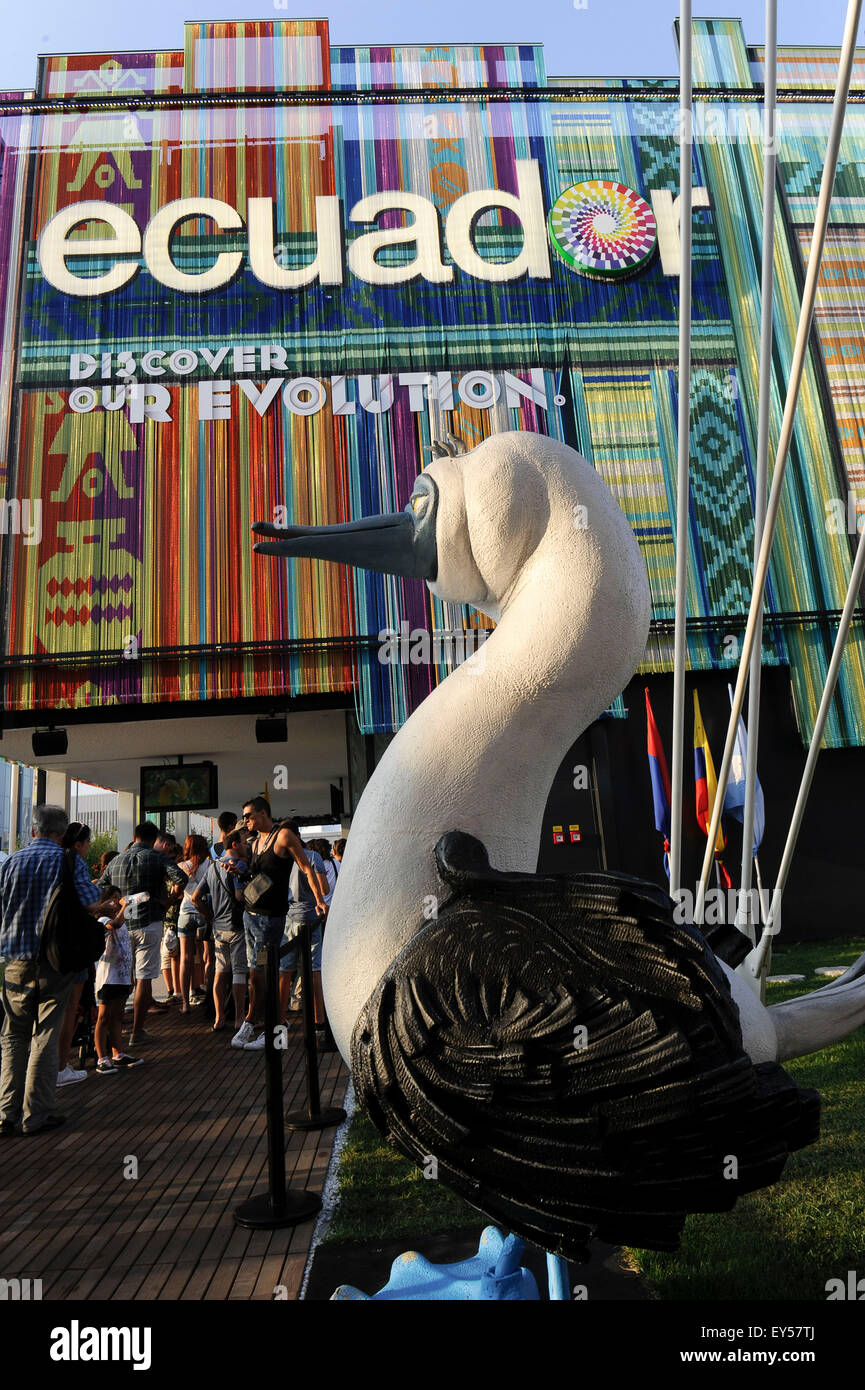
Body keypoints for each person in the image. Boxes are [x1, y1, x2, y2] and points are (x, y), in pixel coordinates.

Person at [0, 805, 115, 1136]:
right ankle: (37, 1114)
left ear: (33, 829)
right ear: (62, 833)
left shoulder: (11, 862)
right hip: (55, 961)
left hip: (15, 962)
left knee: (12, 1036)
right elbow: (90, 902)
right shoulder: (68, 860)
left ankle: (6, 1114)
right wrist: (106, 906)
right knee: (45, 1033)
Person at [229, 798, 327, 1051]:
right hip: (251, 914)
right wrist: (240, 873)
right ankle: (257, 1023)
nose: (246, 821)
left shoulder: (283, 836)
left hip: (270, 919)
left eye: (249, 816)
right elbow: (262, 877)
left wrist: (319, 900)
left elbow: (306, 867)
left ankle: (267, 1026)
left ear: (264, 813)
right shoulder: (256, 842)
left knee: (265, 973)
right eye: (244, 817)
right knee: (257, 972)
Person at [96, 822, 187, 1047]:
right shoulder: (157, 858)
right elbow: (181, 878)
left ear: (135, 836)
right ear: (153, 838)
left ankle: (116, 1030)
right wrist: (168, 900)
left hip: (122, 925)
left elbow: (100, 887)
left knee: (124, 977)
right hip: (149, 921)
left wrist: (115, 905)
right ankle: (138, 1031)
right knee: (144, 977)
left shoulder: (116, 861)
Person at [194, 830, 247, 1033]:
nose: (246, 846)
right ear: (234, 844)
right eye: (243, 842)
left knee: (219, 973)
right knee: (239, 973)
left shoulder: (212, 868)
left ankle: (218, 1017)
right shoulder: (238, 866)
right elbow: (239, 896)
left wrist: (209, 916)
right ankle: (239, 1017)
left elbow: (195, 897)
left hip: (218, 928)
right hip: (236, 927)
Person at [282, 825, 331, 1046]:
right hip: (310, 917)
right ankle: (319, 1022)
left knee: (284, 970)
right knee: (315, 969)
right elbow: (324, 888)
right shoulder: (313, 857)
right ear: (299, 836)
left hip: (286, 919)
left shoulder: (281, 860)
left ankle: (280, 1021)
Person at [56, 822, 93, 1088]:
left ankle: (40, 1070)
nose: (88, 848)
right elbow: (89, 900)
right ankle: (60, 1066)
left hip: (34, 949)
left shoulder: (24, 860)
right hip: (69, 945)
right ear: (78, 844)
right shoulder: (74, 861)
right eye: (87, 843)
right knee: (70, 1008)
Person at [93, 901, 144, 1073]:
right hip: (108, 977)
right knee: (103, 1017)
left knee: (118, 1016)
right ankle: (101, 1058)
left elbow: (130, 920)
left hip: (122, 977)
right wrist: (126, 904)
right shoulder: (103, 920)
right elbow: (114, 925)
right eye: (113, 899)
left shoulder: (123, 920)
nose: (117, 902)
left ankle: (118, 1054)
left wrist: (130, 975)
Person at [177, 834, 211, 1013]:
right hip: (204, 912)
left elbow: (176, 891)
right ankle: (210, 996)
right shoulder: (210, 865)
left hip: (185, 913)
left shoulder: (180, 866)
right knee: (209, 956)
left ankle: (185, 1002)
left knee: (185, 958)